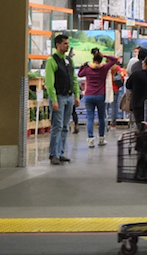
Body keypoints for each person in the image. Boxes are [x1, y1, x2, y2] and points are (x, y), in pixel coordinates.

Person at [44, 34, 81, 165]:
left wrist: (76, 95)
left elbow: (74, 79)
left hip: (69, 97)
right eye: (65, 43)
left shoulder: (69, 60)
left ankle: (60, 153)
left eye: (68, 43)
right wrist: (53, 99)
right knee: (57, 126)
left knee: (65, 126)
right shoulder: (51, 61)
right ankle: (53, 154)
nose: (67, 45)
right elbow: (49, 82)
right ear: (58, 45)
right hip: (58, 97)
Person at [78, 47, 120, 148]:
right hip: (100, 95)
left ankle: (91, 139)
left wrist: (82, 66)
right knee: (102, 117)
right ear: (101, 59)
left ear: (93, 59)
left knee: (90, 118)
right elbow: (115, 60)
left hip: (88, 96)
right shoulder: (104, 68)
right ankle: (101, 138)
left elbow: (79, 74)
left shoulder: (88, 68)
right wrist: (104, 55)